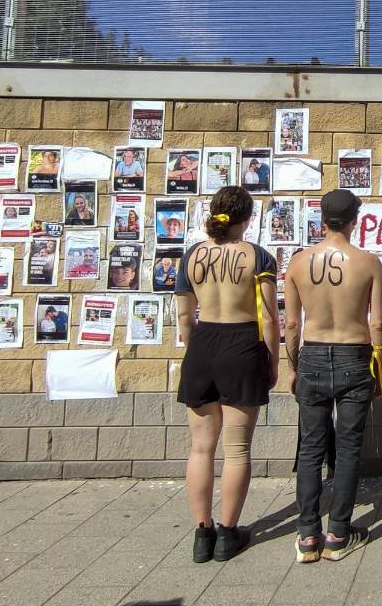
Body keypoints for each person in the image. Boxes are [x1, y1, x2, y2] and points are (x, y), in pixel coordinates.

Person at [174, 186, 280, 563]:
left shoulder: (191, 256)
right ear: (247, 219)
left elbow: (185, 318)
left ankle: (202, 534)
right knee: (237, 450)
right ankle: (227, 532)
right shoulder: (258, 256)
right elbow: (269, 316)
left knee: (201, 447)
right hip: (242, 343)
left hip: (203, 343)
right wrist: (273, 360)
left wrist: (196, 351)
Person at [284, 189, 382, 564]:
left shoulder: (298, 263)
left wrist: (293, 366)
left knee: (310, 449)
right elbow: (377, 323)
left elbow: (292, 324)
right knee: (348, 449)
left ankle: (308, 535)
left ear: (322, 220)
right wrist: (381, 368)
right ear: (354, 220)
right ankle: (339, 533)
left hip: (312, 352)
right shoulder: (368, 262)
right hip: (353, 353)